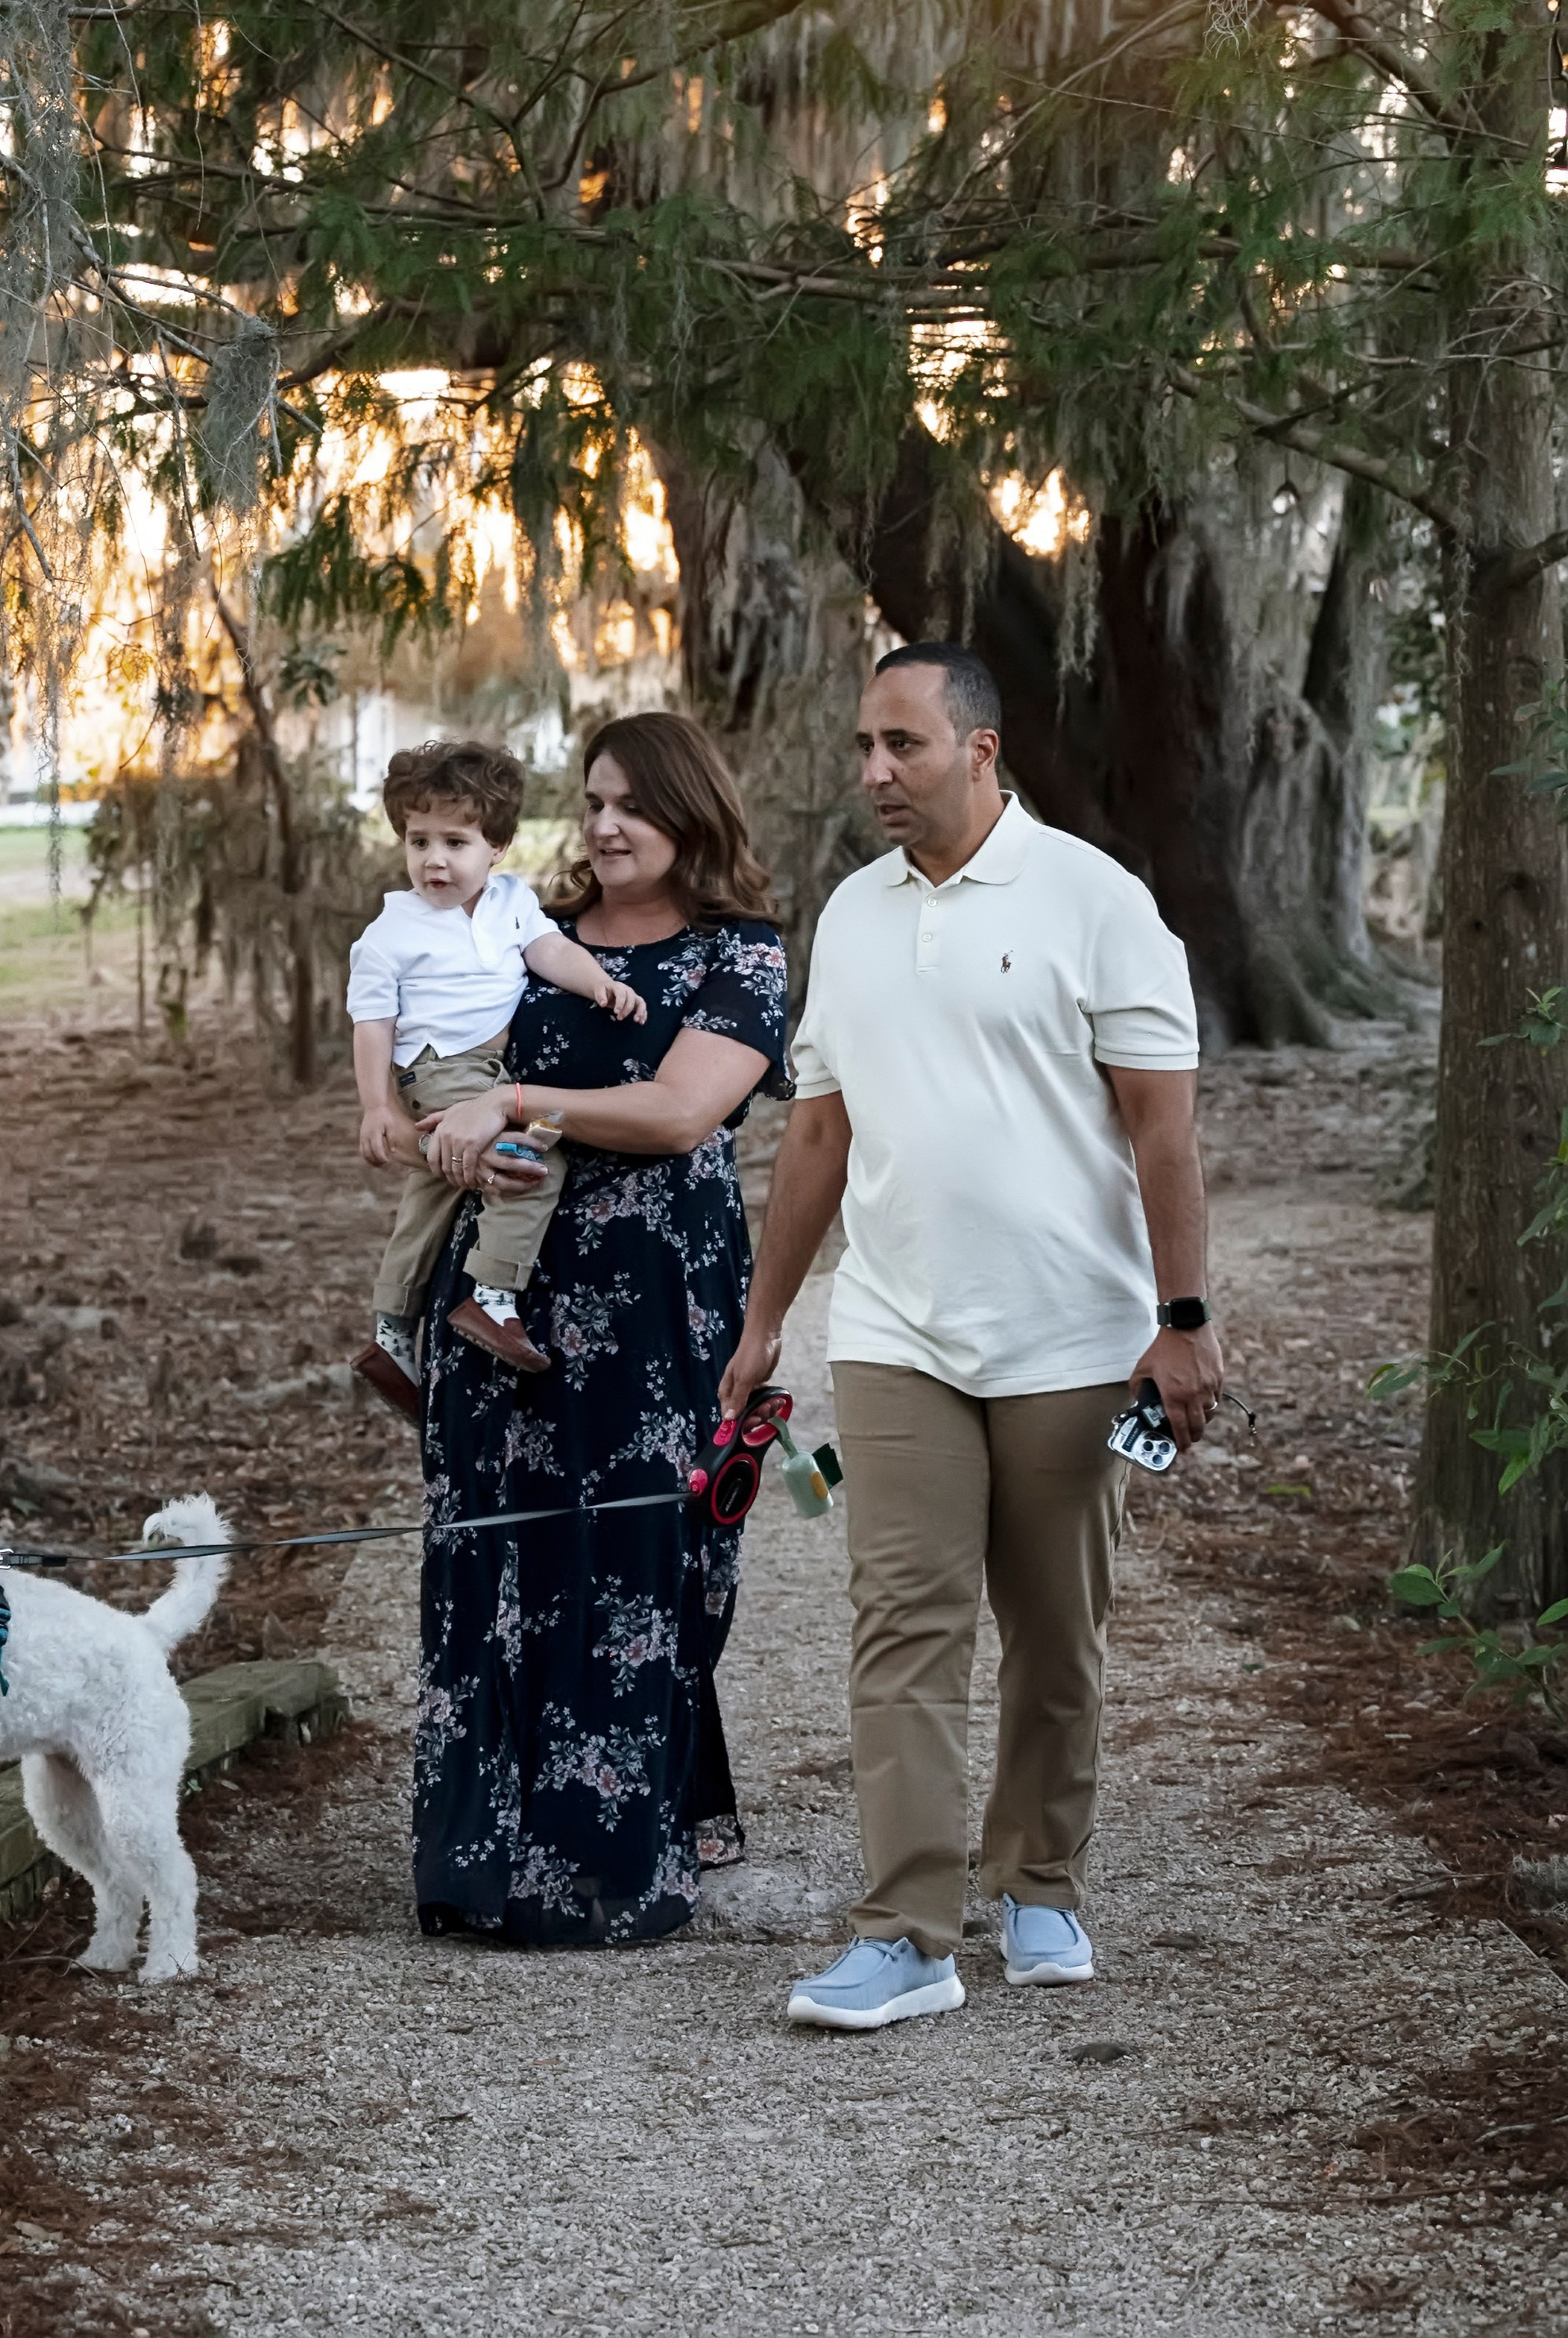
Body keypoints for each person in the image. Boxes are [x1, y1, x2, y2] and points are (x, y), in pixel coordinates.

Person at [720, 640, 1220, 2031]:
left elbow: (1163, 1130)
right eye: (865, 747)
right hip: (898, 1331)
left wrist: (1182, 1320)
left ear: (981, 750)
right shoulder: (854, 914)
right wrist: (766, 1320)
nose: (876, 771)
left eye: (905, 744)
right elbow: (816, 1133)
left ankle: (1040, 1881)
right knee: (904, 1624)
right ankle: (907, 1929)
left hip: (1073, 1334)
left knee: (1056, 1632)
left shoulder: (1097, 901)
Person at [409, 712, 789, 1945]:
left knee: (642, 1553)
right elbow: (431, 1070)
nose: (608, 825)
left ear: (691, 810)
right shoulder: (523, 932)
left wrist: (517, 1100)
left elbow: (680, 1113)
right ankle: (482, 1860)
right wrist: (447, 1132)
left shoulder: (740, 953)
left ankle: (621, 1849)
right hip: (504, 1291)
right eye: (594, 801)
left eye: (634, 802)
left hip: (657, 1299)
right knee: (494, 1547)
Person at [347, 738, 647, 1411]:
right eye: (419, 841)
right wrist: (376, 1107)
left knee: (437, 1189)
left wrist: (599, 982)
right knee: (536, 1156)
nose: (434, 859)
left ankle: (391, 1329)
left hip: (491, 1074)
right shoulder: (392, 932)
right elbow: (372, 1023)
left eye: (455, 842)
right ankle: (493, 1294)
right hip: (440, 1068)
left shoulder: (512, 901)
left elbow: (549, 951)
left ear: (498, 847)